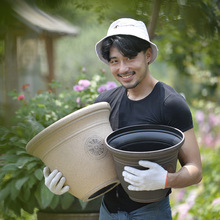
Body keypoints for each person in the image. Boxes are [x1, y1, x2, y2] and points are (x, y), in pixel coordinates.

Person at [43, 18, 202, 219]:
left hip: (149, 213)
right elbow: (91, 157)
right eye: (114, 61)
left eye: (130, 58)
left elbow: (195, 170)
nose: (123, 68)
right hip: (107, 212)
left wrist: (165, 180)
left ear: (148, 55)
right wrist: (65, 180)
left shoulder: (169, 103)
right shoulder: (103, 104)